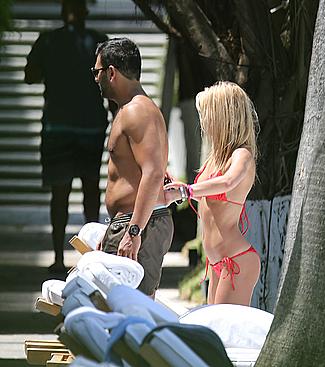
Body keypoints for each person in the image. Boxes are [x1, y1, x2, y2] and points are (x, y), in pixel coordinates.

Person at [24, 0, 112, 274]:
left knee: (59, 193)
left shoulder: (48, 42)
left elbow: (30, 75)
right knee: (90, 190)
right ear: (86, 13)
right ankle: (91, 257)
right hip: (91, 128)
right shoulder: (100, 43)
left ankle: (59, 258)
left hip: (57, 128)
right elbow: (111, 84)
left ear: (63, 13)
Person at [164, 81, 260, 305]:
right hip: (217, 261)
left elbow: (227, 183)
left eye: (207, 115)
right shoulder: (215, 157)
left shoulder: (242, 155)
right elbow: (210, 197)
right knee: (213, 329)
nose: (203, 123)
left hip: (235, 260)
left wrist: (187, 190)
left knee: (225, 334)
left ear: (223, 117)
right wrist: (178, 188)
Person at [93, 37, 174, 297]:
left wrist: (133, 231)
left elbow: (153, 173)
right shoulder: (135, 110)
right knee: (118, 309)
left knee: (128, 311)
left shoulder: (137, 112)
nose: (96, 79)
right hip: (132, 222)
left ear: (112, 72)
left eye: (97, 72)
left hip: (140, 225)